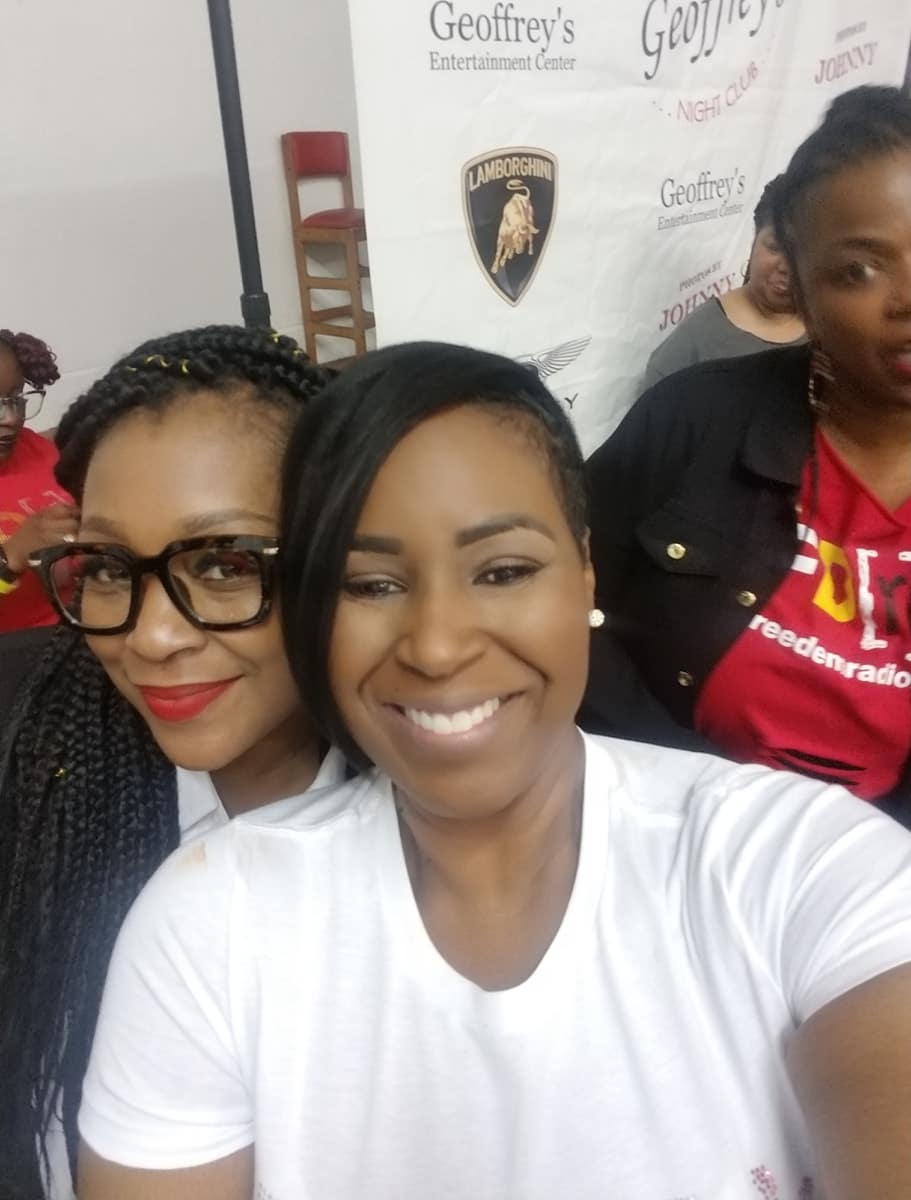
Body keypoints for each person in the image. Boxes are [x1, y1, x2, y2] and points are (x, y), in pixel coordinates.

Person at [77, 342, 911, 1199]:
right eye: (370, 584)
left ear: (584, 570)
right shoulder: (212, 918)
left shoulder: (794, 864)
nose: (437, 647)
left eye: (504, 571)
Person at [0, 325, 340, 1200]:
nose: (151, 637)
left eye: (223, 563)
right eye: (109, 566)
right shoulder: (27, 770)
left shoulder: (441, 816)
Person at [582, 85, 911, 816]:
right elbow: (561, 594)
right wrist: (685, 794)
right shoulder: (696, 417)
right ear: (801, 284)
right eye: (859, 269)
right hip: (666, 817)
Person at [643, 175, 806, 389]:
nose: (786, 267)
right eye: (775, 247)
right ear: (755, 238)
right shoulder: (695, 341)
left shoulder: (830, 331)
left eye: (804, 253)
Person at [0, 329, 78, 632]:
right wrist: (12, 555)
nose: (10, 418)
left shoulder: (38, 450)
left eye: (16, 398)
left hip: (84, 629)